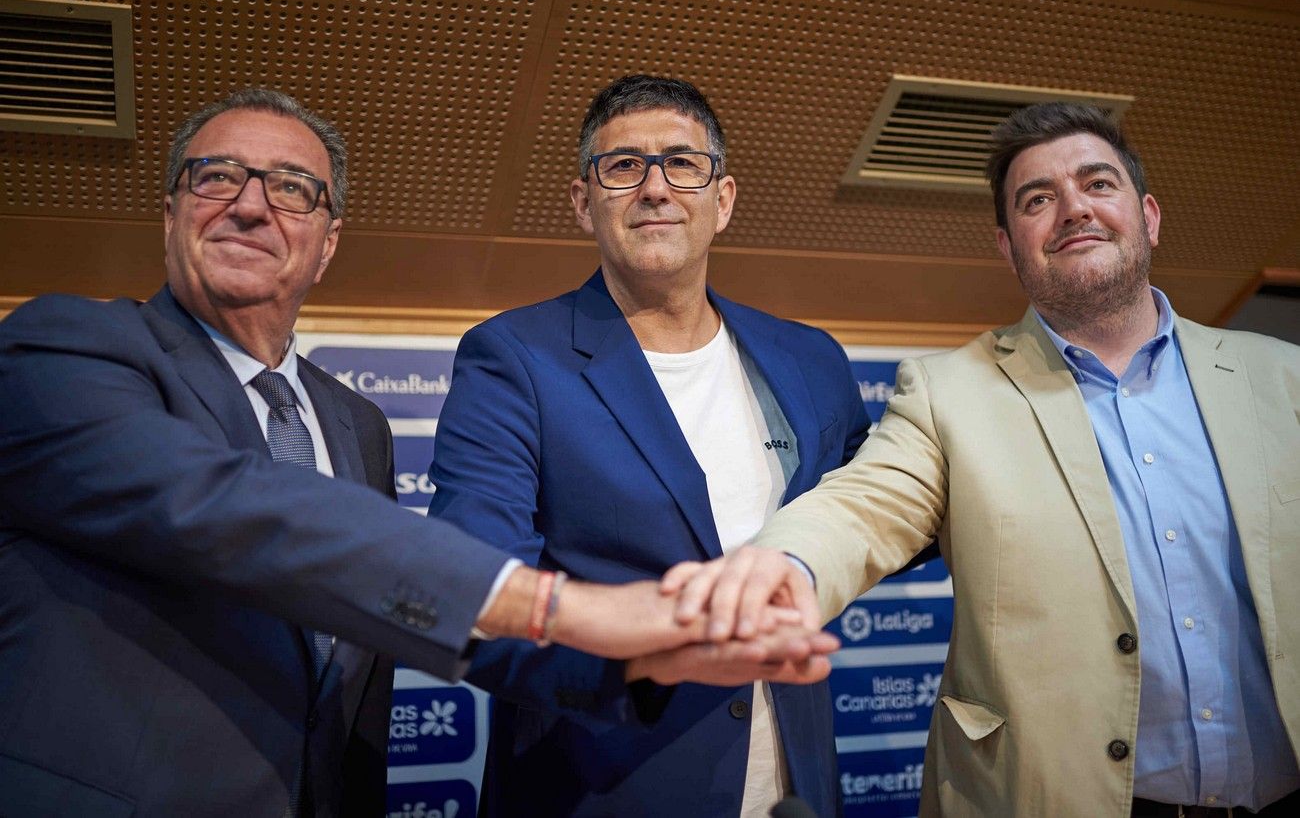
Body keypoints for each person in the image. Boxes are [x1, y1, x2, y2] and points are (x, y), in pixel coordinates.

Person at [0, 88, 836, 818]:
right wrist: (572, 612)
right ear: (172, 208)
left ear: (327, 242)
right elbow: (220, 501)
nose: (252, 207)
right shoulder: (64, 350)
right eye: (217, 177)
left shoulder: (354, 422)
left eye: (293, 189)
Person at [668, 102, 1300, 817]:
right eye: (1038, 199)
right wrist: (779, 569)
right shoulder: (950, 393)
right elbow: (862, 507)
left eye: (1098, 184)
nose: (1072, 210)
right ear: (1008, 244)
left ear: (1147, 215)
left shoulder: (1282, 378)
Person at [425, 74, 869, 818]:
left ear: (722, 200)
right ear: (583, 202)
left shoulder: (810, 358)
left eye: (682, 163)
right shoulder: (513, 358)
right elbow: (474, 585)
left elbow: (871, 517)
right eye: (624, 167)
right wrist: (640, 653)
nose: (656, 188)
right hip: (603, 785)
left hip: (793, 787)